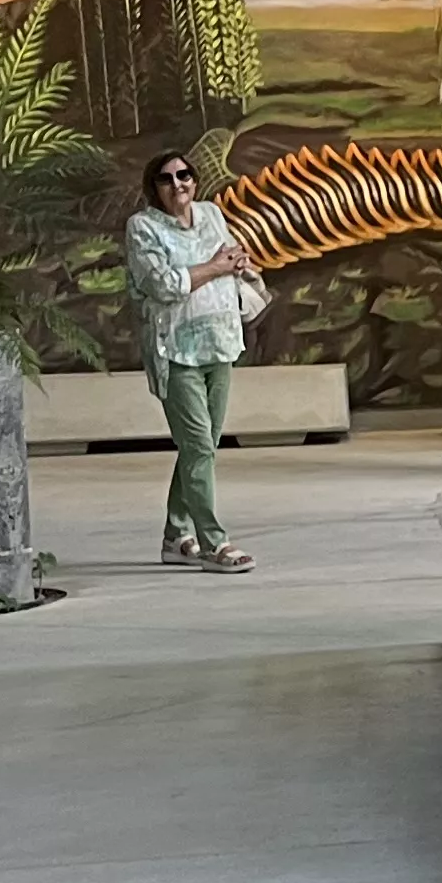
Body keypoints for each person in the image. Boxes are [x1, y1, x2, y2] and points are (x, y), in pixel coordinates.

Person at [125, 149, 260, 572]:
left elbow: (227, 257)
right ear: (155, 188)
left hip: (220, 342)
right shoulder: (143, 227)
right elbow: (163, 284)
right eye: (167, 179)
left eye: (184, 175)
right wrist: (216, 266)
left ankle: (174, 536)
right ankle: (214, 544)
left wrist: (234, 263)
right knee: (199, 446)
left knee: (201, 448)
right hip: (176, 350)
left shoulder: (211, 214)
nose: (178, 183)